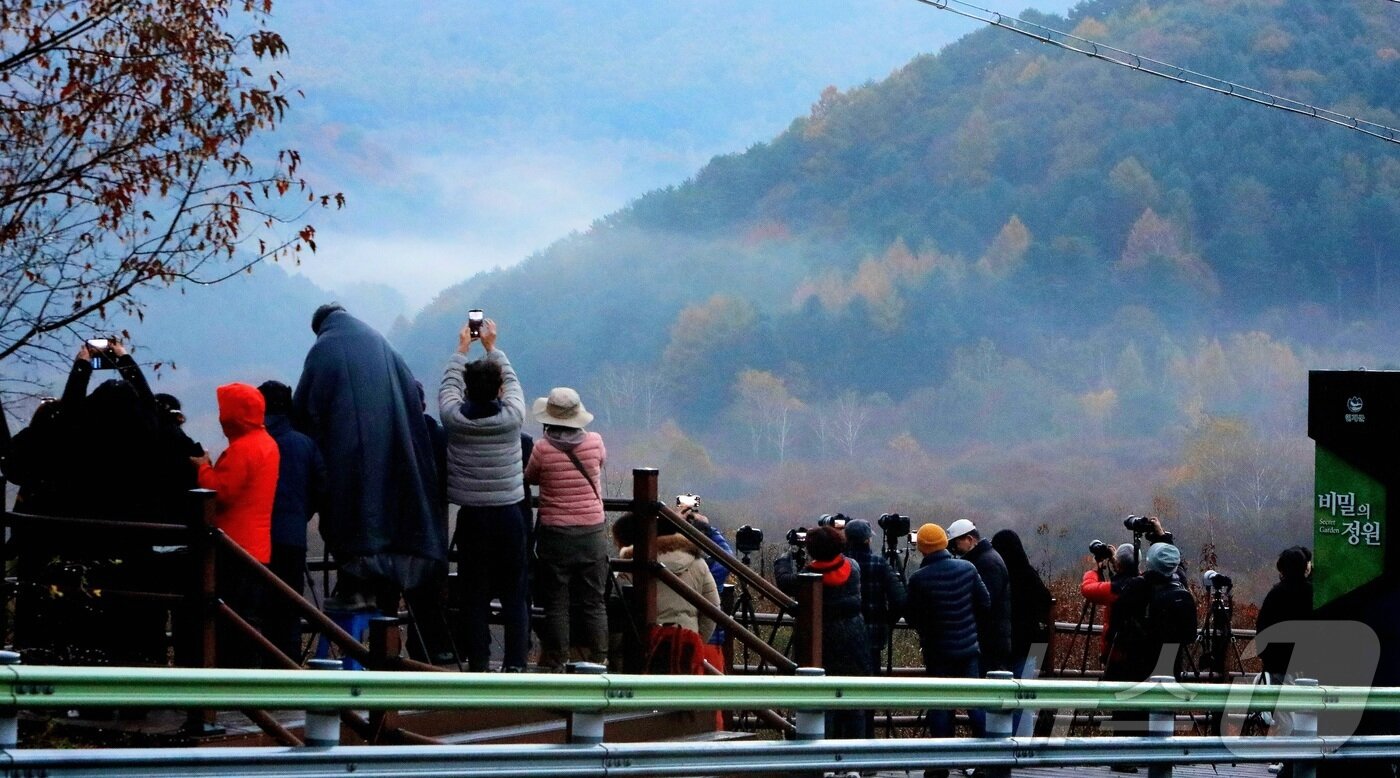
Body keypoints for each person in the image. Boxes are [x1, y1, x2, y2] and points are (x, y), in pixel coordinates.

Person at [292, 304, 446, 614]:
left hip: (350, 475)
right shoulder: (386, 347)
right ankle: (384, 627)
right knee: (386, 565)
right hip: (399, 479)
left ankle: (352, 620)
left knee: (356, 555)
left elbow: (304, 415)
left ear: (320, 327)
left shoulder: (324, 350)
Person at [438, 317, 530, 671]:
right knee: (514, 594)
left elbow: (448, 387)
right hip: (509, 514)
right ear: (498, 390)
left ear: (467, 389)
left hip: (473, 516)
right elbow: (513, 382)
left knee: (474, 594)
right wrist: (493, 347)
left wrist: (462, 349)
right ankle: (516, 664)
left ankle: (478, 663)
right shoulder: (512, 418)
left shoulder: (454, 419)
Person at [193, 382, 280, 667]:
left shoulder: (243, 449)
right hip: (256, 547)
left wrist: (203, 467)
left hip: (233, 545)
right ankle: (248, 675)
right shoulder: (266, 443)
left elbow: (220, 492)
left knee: (232, 619)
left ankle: (236, 674)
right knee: (248, 617)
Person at [524, 386, 609, 670]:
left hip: (555, 535)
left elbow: (530, 477)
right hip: (592, 532)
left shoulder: (542, 449)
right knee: (593, 602)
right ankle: (599, 659)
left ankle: (559, 660)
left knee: (556, 603)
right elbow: (601, 462)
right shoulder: (595, 442)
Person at [774, 525, 872, 740]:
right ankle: (855, 752)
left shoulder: (809, 577)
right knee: (854, 702)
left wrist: (783, 560)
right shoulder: (853, 568)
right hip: (855, 641)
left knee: (823, 701)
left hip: (822, 644)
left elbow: (785, 581)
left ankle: (823, 749)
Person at [257, 380, 327, 663]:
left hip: (254, 542)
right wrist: (301, 513)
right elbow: (321, 488)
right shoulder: (304, 444)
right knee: (289, 608)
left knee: (257, 608)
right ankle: (288, 666)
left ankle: (258, 669)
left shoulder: (254, 442)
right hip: (292, 537)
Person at [906, 523, 989, 761]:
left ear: (922, 548)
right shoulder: (968, 568)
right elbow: (985, 602)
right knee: (975, 702)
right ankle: (989, 755)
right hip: (968, 648)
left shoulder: (919, 579)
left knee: (941, 705)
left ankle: (940, 761)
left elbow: (912, 616)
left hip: (937, 652)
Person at [613, 512, 720, 674]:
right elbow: (712, 608)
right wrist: (695, 638)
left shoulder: (629, 565)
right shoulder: (698, 562)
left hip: (643, 649)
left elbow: (618, 614)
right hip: (686, 645)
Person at [675, 495, 734, 675]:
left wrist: (672, 524)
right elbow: (727, 559)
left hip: (670, 639)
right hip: (709, 640)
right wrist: (709, 529)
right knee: (711, 689)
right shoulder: (705, 568)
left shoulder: (662, 561)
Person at [947, 519, 1012, 672]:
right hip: (989, 641)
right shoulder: (986, 559)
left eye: (956, 544)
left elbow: (985, 603)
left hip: (990, 643)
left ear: (969, 539)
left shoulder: (987, 563)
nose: (954, 549)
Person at [843, 519, 907, 676]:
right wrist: (887, 621)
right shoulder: (879, 564)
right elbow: (900, 600)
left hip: (843, 636)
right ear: (867, 540)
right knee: (871, 679)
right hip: (872, 635)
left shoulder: (840, 564)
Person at [992, 529, 1052, 680]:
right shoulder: (1029, 574)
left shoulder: (999, 574)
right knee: (1028, 689)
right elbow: (1046, 600)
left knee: (1003, 689)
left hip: (1010, 644)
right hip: (1035, 643)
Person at [1081, 542, 1139, 679]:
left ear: (1119, 564)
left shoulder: (1115, 589)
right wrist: (1116, 561)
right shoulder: (1142, 582)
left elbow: (1087, 589)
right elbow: (1132, 574)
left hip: (1116, 653)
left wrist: (1094, 570)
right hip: (1139, 652)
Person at [1255, 546, 1313, 680]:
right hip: (1308, 665)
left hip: (1277, 665)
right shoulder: (1313, 594)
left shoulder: (1275, 594)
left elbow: (1262, 627)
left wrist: (1266, 656)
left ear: (1282, 568)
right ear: (1305, 567)